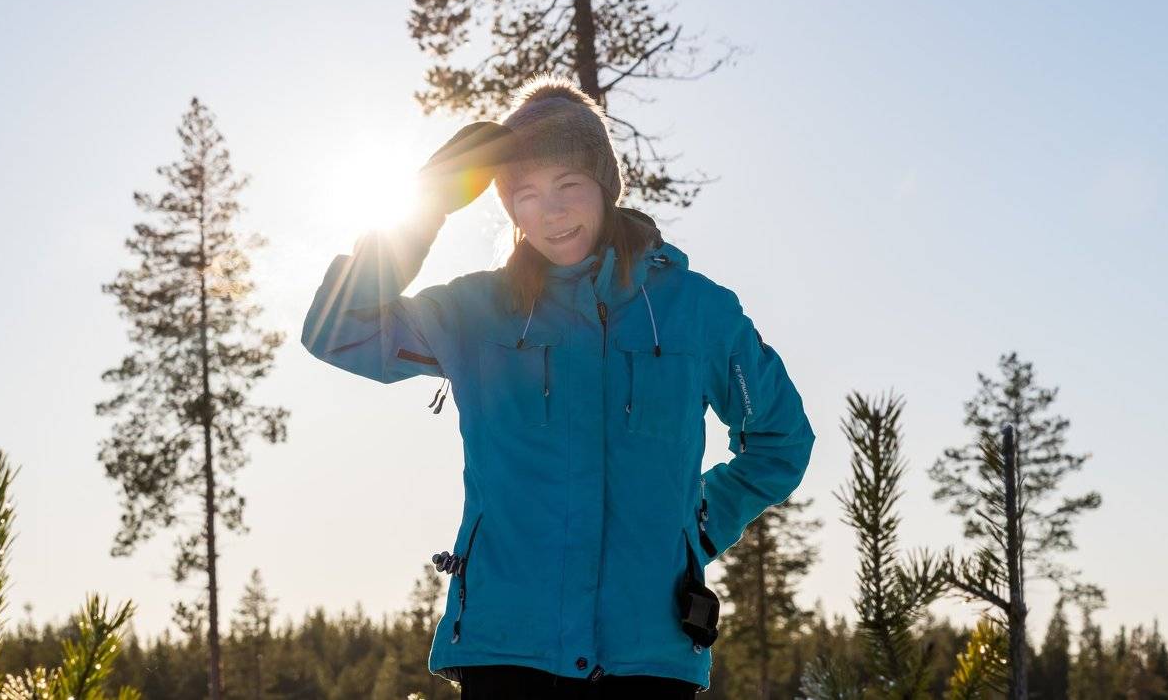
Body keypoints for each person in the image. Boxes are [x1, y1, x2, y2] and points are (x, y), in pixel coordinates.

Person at [300, 76, 814, 697]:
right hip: (507, 648)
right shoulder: (479, 313)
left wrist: (695, 530)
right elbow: (339, 333)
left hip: (648, 652)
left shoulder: (696, 312)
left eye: (568, 184)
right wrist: (422, 208)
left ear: (604, 186)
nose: (552, 210)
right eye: (527, 194)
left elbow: (779, 441)